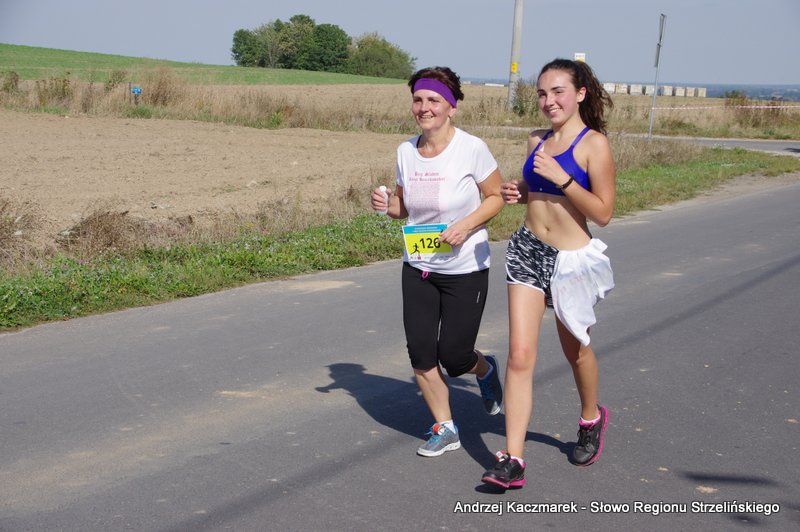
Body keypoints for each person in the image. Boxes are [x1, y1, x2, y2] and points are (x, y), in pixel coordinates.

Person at [481, 59, 616, 489]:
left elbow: (603, 213)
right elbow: (536, 192)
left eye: (558, 91)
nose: (548, 101)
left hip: (571, 260)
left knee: (576, 351)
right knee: (520, 355)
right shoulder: (535, 139)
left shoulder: (594, 144)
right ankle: (513, 459)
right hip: (527, 250)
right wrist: (518, 192)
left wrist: (564, 179)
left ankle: (591, 418)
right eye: (542, 93)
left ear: (580, 94)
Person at [371, 66, 505, 457]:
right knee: (421, 352)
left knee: (455, 356)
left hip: (465, 267)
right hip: (418, 266)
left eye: (433, 100)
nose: (424, 107)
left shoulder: (471, 148)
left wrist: (466, 225)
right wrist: (385, 204)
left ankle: (485, 369)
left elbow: (496, 196)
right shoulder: (406, 151)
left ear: (451, 107)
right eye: (418, 100)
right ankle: (445, 428)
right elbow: (403, 207)